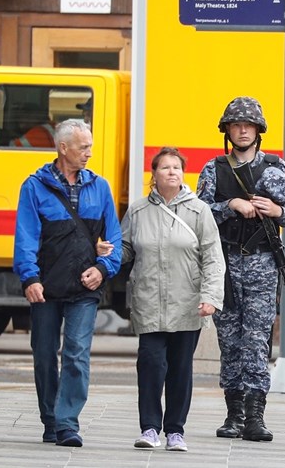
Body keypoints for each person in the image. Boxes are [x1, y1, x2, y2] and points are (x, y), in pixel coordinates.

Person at [196, 96, 285, 442]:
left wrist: (275, 210)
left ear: (258, 130)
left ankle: (255, 416)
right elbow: (199, 214)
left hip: (261, 264)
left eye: (248, 125)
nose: (242, 130)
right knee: (230, 341)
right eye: (236, 125)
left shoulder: (275, 168)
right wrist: (231, 205)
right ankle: (233, 414)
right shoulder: (214, 169)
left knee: (256, 340)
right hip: (223, 264)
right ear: (227, 130)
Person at [13, 119, 122, 447]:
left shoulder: (100, 187)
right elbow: (26, 237)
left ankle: (67, 423)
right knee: (44, 354)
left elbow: (115, 237)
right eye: (83, 147)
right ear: (63, 148)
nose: (89, 152)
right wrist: (29, 277)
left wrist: (102, 268)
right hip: (45, 288)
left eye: (90, 146)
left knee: (76, 353)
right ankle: (51, 419)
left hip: (84, 289)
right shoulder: (34, 187)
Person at [122, 147, 225, 452]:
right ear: (153, 175)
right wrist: (110, 252)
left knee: (180, 369)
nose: (171, 172)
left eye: (176, 167)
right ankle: (150, 428)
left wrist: (210, 297)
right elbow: (127, 248)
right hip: (148, 301)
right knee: (151, 365)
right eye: (164, 167)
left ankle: (175, 431)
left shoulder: (198, 211)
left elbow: (213, 258)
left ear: (183, 174)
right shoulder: (138, 211)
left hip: (187, 303)